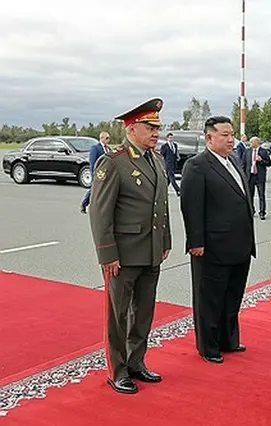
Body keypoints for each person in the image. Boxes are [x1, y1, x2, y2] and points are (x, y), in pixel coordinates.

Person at [89, 98, 171, 394]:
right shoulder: (113, 162)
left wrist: (166, 240)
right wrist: (107, 254)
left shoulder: (156, 160)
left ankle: (137, 363)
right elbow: (100, 213)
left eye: (157, 128)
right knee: (118, 315)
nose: (155, 133)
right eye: (150, 127)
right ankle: (118, 370)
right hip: (122, 255)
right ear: (132, 129)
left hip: (150, 252)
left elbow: (160, 206)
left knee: (144, 311)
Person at [180, 116, 256, 363]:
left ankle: (228, 340)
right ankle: (208, 346)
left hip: (240, 244)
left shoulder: (232, 161)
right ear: (210, 138)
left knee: (232, 296)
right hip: (212, 246)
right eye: (225, 134)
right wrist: (196, 242)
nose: (231, 139)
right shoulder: (198, 165)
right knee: (210, 299)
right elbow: (191, 207)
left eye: (232, 133)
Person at [241, 136, 271, 220]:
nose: (250, 144)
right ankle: (251, 211)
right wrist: (243, 175)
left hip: (259, 176)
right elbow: (243, 164)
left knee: (261, 194)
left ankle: (262, 212)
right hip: (250, 176)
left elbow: (269, 163)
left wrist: (261, 160)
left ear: (256, 142)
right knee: (250, 195)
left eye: (252, 142)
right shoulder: (247, 151)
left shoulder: (263, 151)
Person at [80, 131, 111, 214]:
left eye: (109, 138)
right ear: (101, 138)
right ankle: (84, 204)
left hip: (107, 172)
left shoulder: (108, 149)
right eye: (107, 138)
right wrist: (93, 173)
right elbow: (92, 162)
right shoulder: (96, 148)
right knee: (94, 189)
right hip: (98, 172)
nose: (108, 140)